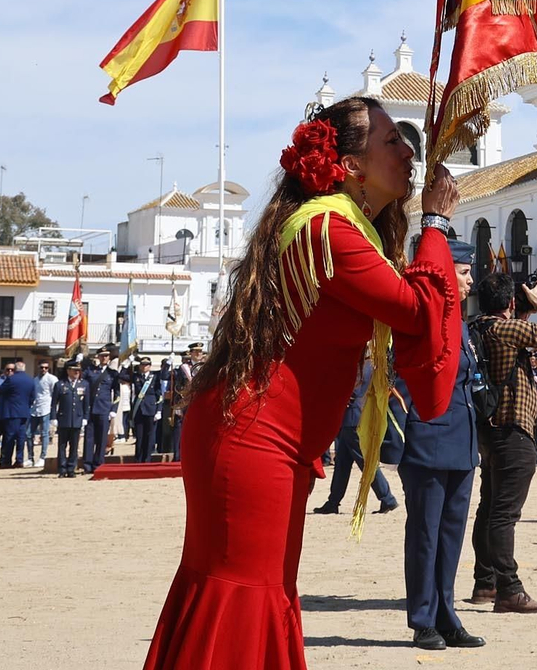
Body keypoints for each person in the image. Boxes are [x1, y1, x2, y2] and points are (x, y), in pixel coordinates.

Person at [141, 97, 465, 669]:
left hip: (266, 437)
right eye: (393, 141)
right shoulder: (331, 232)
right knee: (245, 591)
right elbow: (418, 311)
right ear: (352, 165)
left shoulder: (343, 227)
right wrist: (436, 222)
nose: (409, 152)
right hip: (253, 437)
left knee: (259, 590)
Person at [395, 239, 485, 651]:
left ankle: (447, 615)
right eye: (464, 272)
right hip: (429, 439)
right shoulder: (425, 318)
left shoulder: (462, 325)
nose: (471, 280)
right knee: (425, 535)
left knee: (451, 535)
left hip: (461, 442)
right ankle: (423, 619)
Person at [468, 272, 537, 614]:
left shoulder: (477, 327)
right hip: (513, 429)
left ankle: (485, 582)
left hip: (489, 430)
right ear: (510, 303)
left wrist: (522, 307)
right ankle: (509, 589)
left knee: (488, 509)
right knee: (504, 514)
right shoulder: (505, 328)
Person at [312, 347, 399, 516]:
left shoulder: (363, 364)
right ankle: (333, 502)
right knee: (342, 465)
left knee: (366, 462)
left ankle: (386, 497)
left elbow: (354, 391)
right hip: (353, 417)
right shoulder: (371, 362)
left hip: (353, 417)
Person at [83, 348, 120, 475]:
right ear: (98, 357)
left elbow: (117, 393)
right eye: (102, 356)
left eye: (106, 356)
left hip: (104, 409)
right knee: (89, 438)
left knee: (102, 438)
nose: (104, 358)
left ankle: (98, 463)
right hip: (91, 408)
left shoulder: (112, 373)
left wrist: (113, 409)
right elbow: (82, 381)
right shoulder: (91, 371)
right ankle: (87, 464)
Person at [52, 359, 88, 477]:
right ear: (68, 371)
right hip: (64, 419)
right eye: (74, 370)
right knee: (62, 445)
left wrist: (85, 417)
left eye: (78, 370)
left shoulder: (84, 384)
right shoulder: (60, 384)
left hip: (77, 419)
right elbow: (54, 403)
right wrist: (53, 417)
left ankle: (71, 468)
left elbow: (86, 404)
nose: (77, 372)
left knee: (74, 446)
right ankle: (62, 468)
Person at [129, 358, 164, 463]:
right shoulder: (136, 376)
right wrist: (127, 363)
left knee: (149, 436)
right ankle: (138, 459)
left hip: (151, 409)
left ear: (150, 366)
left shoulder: (155, 377)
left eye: (147, 365)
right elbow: (122, 376)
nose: (144, 367)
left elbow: (159, 394)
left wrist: (159, 410)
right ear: (140, 366)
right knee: (139, 436)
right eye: (142, 365)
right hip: (139, 409)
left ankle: (147, 459)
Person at [29, 359, 57, 467]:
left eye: (46, 367)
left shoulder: (52, 379)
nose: (43, 369)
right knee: (29, 434)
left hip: (46, 408)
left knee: (44, 433)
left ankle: (42, 457)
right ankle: (30, 457)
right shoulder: (35, 380)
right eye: (42, 367)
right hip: (35, 409)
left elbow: (55, 394)